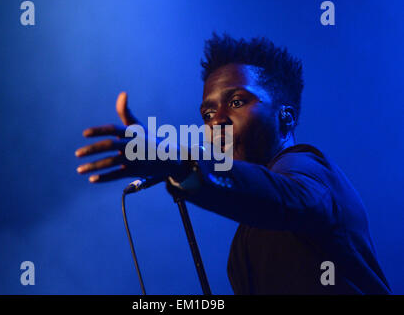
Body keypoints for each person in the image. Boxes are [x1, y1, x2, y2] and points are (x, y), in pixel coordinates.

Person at [75, 33, 391, 294]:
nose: (218, 122)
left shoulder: (308, 168)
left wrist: (181, 162)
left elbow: (283, 198)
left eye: (237, 101)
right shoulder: (242, 245)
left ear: (286, 116)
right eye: (208, 114)